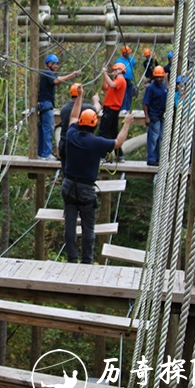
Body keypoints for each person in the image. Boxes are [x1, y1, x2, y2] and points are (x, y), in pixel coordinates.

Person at [62, 85, 133, 264]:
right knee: (88, 228)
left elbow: (72, 116)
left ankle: (71, 259)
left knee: (69, 225)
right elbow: (118, 142)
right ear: (94, 125)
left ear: (80, 123)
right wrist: (127, 124)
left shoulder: (71, 135)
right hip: (86, 189)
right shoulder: (97, 143)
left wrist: (80, 97)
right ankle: (87, 261)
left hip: (69, 186)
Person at [37, 54, 80, 161]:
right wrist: (73, 75)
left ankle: (41, 152)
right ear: (49, 64)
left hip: (44, 103)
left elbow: (58, 78)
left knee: (44, 129)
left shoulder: (47, 73)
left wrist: (72, 75)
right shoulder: (47, 72)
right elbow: (57, 81)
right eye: (55, 64)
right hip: (46, 103)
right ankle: (46, 153)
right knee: (48, 128)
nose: (57, 66)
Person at [58, 83, 101, 173]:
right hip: (77, 144)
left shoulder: (64, 109)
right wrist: (96, 100)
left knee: (67, 173)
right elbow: (97, 108)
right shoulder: (86, 108)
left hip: (64, 145)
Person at [99, 63, 128, 163]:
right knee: (113, 133)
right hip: (110, 109)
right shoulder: (117, 80)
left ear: (119, 70)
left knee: (103, 132)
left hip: (111, 109)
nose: (114, 72)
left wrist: (105, 74)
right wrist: (104, 75)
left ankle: (101, 156)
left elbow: (111, 85)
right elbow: (105, 87)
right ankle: (120, 155)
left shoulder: (120, 80)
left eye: (115, 70)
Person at [143, 65, 168, 166]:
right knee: (153, 138)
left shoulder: (163, 86)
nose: (158, 79)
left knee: (159, 138)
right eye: (157, 77)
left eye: (160, 77)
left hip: (161, 115)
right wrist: (147, 117)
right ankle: (151, 158)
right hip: (153, 116)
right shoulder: (151, 88)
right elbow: (145, 103)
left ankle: (157, 157)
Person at [115, 45, 137, 112]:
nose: (128, 54)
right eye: (127, 53)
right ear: (123, 53)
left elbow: (134, 64)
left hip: (130, 79)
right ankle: (123, 108)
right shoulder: (119, 60)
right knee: (123, 94)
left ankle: (129, 108)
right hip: (122, 79)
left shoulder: (131, 59)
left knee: (130, 93)